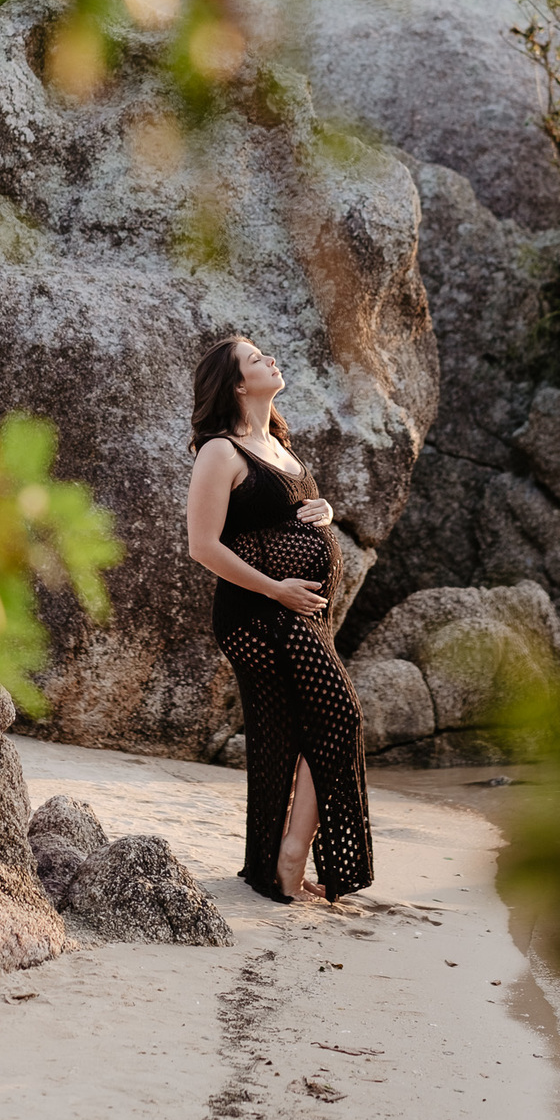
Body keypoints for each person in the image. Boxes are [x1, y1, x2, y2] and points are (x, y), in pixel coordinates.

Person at [186, 336, 373, 905]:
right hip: (256, 614)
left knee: (284, 732)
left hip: (297, 614)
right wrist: (276, 589)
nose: (269, 359)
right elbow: (202, 545)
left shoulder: (280, 447)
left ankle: (271, 866)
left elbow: (289, 515)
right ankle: (293, 854)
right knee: (341, 715)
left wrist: (326, 512)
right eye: (254, 359)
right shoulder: (220, 451)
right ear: (238, 384)